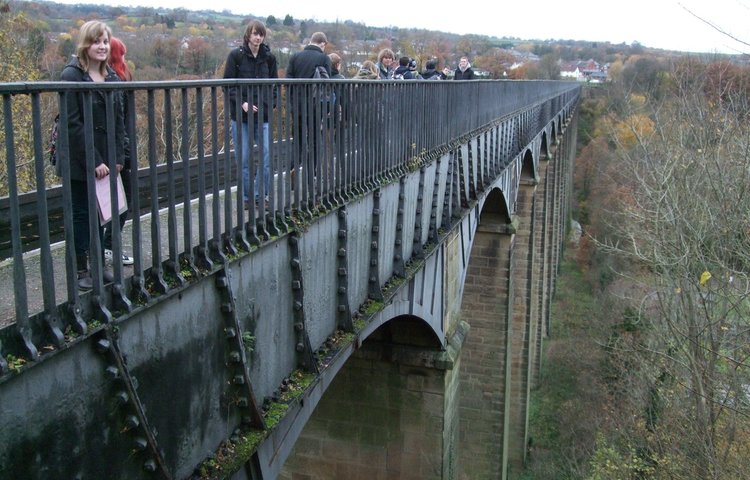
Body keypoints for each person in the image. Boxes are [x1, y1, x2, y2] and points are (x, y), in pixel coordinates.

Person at [60, 20, 127, 290]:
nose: (101, 46)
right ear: (85, 44)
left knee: (102, 213)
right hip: (79, 158)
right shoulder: (72, 75)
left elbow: (119, 119)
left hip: (107, 160)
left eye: (105, 41)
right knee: (81, 214)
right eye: (96, 41)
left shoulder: (111, 75)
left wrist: (119, 157)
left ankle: (98, 266)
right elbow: (73, 125)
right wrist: (95, 160)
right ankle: (80, 270)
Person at [223, 20, 278, 209]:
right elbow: (228, 85)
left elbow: (274, 84)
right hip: (241, 117)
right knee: (245, 158)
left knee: (266, 156)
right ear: (248, 34)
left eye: (261, 34)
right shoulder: (236, 57)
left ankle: (261, 195)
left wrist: (273, 103)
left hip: (263, 116)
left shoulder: (269, 58)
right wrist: (242, 103)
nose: (258, 37)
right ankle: (247, 198)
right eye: (255, 33)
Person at [102, 36, 134, 267]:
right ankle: (108, 247)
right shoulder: (115, 81)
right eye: (121, 54)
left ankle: (107, 247)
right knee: (122, 201)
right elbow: (119, 122)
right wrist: (124, 154)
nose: (124, 58)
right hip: (116, 153)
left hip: (115, 151)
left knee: (116, 202)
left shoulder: (116, 78)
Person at [286, 32, 331, 173]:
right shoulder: (324, 59)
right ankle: (313, 171)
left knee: (298, 138)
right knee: (315, 138)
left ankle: (294, 166)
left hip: (297, 105)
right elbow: (328, 86)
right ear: (322, 43)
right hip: (315, 105)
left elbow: (287, 81)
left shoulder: (295, 57)